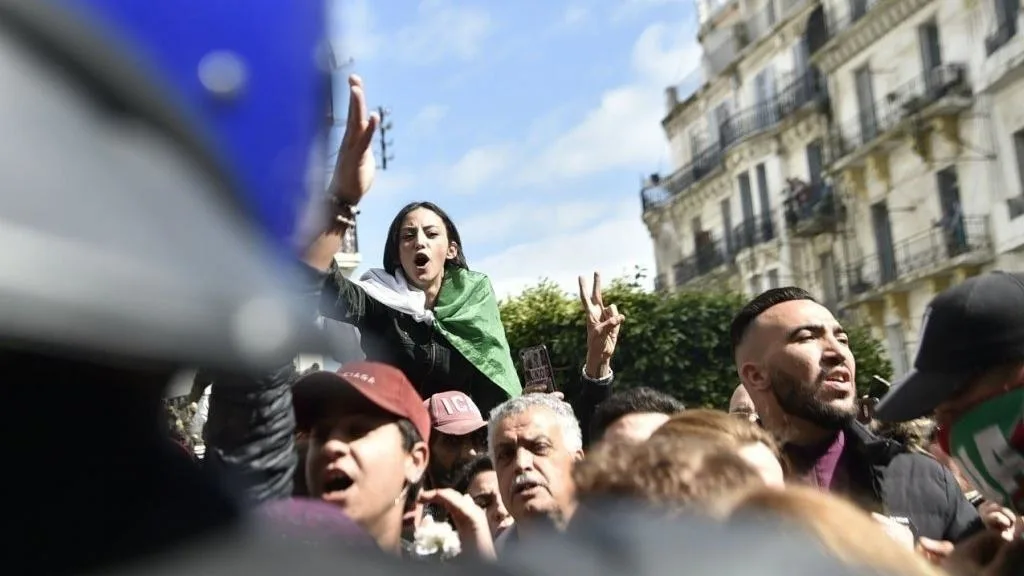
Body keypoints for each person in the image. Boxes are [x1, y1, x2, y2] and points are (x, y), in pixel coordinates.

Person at [729, 287, 982, 542]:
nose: (837, 353)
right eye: (807, 337)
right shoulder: (716, 490)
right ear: (756, 375)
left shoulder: (921, 475)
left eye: (842, 339)